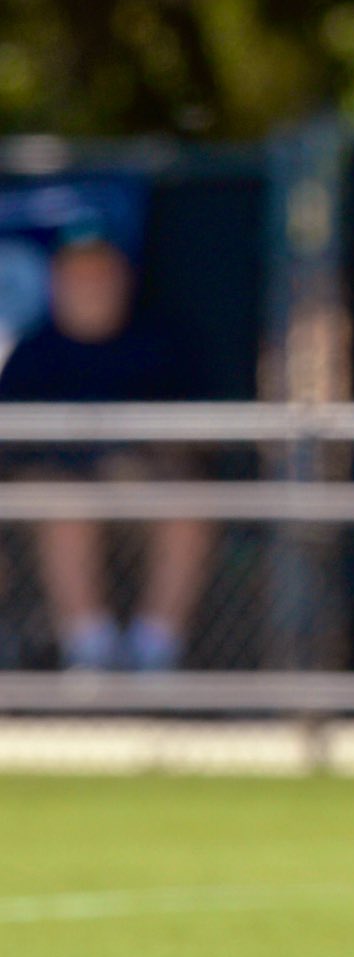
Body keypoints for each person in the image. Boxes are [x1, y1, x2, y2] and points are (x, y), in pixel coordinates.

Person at [0, 227, 211, 671]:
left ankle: (154, 654)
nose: (91, 288)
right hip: (56, 495)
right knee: (66, 507)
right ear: (56, 285)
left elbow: (197, 438)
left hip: (141, 487)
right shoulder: (33, 353)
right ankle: (91, 656)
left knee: (190, 510)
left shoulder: (159, 342)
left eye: (102, 276)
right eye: (78, 277)